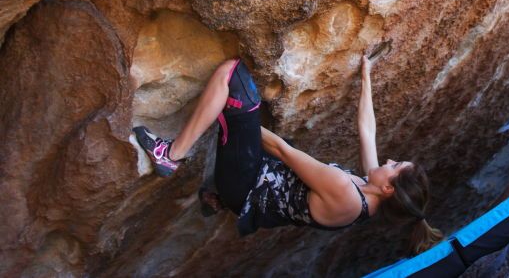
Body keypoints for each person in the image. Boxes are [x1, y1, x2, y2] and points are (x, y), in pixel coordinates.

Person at [133, 53, 442, 254]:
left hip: (246, 183)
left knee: (233, 77)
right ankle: (217, 196)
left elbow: (278, 148)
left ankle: (171, 155)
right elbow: (368, 132)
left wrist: (240, 119)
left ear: (389, 187)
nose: (388, 161)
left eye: (395, 165)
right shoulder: (368, 198)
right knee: (279, 136)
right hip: (255, 191)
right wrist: (366, 77)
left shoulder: (344, 190)